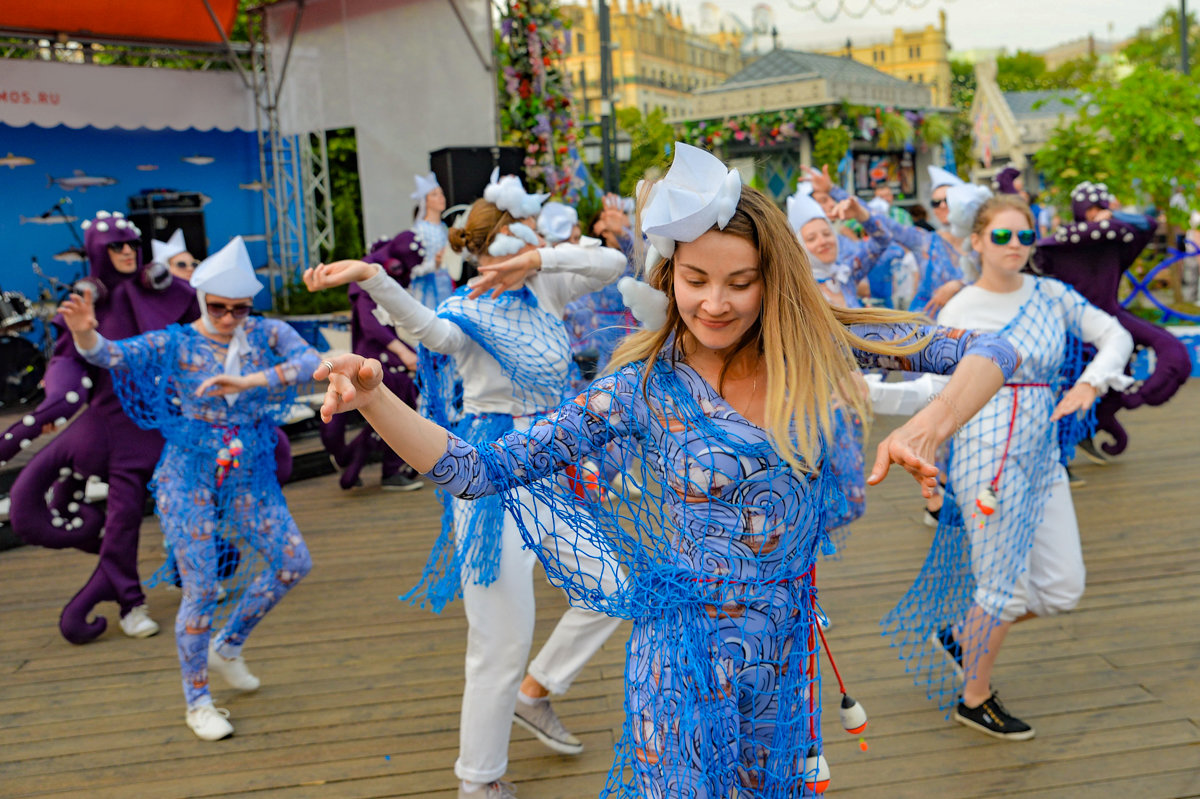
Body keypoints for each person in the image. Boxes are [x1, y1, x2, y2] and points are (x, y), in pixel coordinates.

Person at [313, 143, 1020, 797]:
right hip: (682, 656)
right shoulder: (640, 386)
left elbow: (993, 349)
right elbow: (477, 469)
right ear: (668, 275)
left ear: (771, 280)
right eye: (696, 279)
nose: (717, 302)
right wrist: (374, 397)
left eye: (741, 282)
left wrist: (933, 422)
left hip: (783, 649)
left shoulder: (816, 343)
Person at [304, 172, 627, 799]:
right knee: (501, 637)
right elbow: (429, 331)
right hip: (490, 474)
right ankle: (479, 781)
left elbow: (612, 261)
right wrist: (374, 278)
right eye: (508, 243)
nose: (519, 251)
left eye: (526, 238)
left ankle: (536, 692)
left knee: (615, 588)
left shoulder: (548, 291)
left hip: (555, 464)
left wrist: (539, 257)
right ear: (481, 254)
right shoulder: (466, 310)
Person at [883, 188, 1134, 740]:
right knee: (1002, 588)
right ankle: (975, 698)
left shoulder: (1051, 295)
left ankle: (961, 633)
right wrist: (870, 393)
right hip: (985, 457)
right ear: (977, 241)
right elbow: (931, 387)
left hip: (1042, 455)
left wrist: (1092, 383)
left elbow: (1115, 333)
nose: (1015, 244)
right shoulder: (961, 309)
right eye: (1001, 235)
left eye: (1025, 235)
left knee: (1063, 586)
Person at [57, 236, 321, 741]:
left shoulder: (266, 334)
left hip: (248, 469)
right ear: (202, 300)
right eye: (219, 307)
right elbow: (111, 356)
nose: (228, 318)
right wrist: (85, 337)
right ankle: (198, 699)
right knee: (201, 586)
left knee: (293, 562)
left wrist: (249, 381)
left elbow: (315, 364)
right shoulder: (176, 341)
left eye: (238, 308)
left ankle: (229, 645)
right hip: (188, 473)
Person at [0, 211, 197, 643]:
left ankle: (198, 576)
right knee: (122, 520)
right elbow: (67, 364)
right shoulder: (85, 307)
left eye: (131, 243)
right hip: (121, 432)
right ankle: (130, 601)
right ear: (96, 252)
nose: (127, 251)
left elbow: (201, 339)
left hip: (172, 426)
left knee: (189, 510)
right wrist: (56, 403)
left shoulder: (171, 294)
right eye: (116, 246)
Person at [319, 230, 425, 490]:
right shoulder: (369, 286)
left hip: (386, 358)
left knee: (394, 410)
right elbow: (371, 325)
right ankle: (385, 470)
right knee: (396, 410)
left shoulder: (385, 278)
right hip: (377, 359)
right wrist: (403, 352)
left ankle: (359, 465)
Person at [409, 172, 455, 309]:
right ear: (426, 201)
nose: (441, 198)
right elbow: (414, 268)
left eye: (441, 193)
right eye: (434, 194)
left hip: (446, 286)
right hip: (427, 291)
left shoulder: (444, 227)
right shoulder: (419, 230)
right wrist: (435, 262)